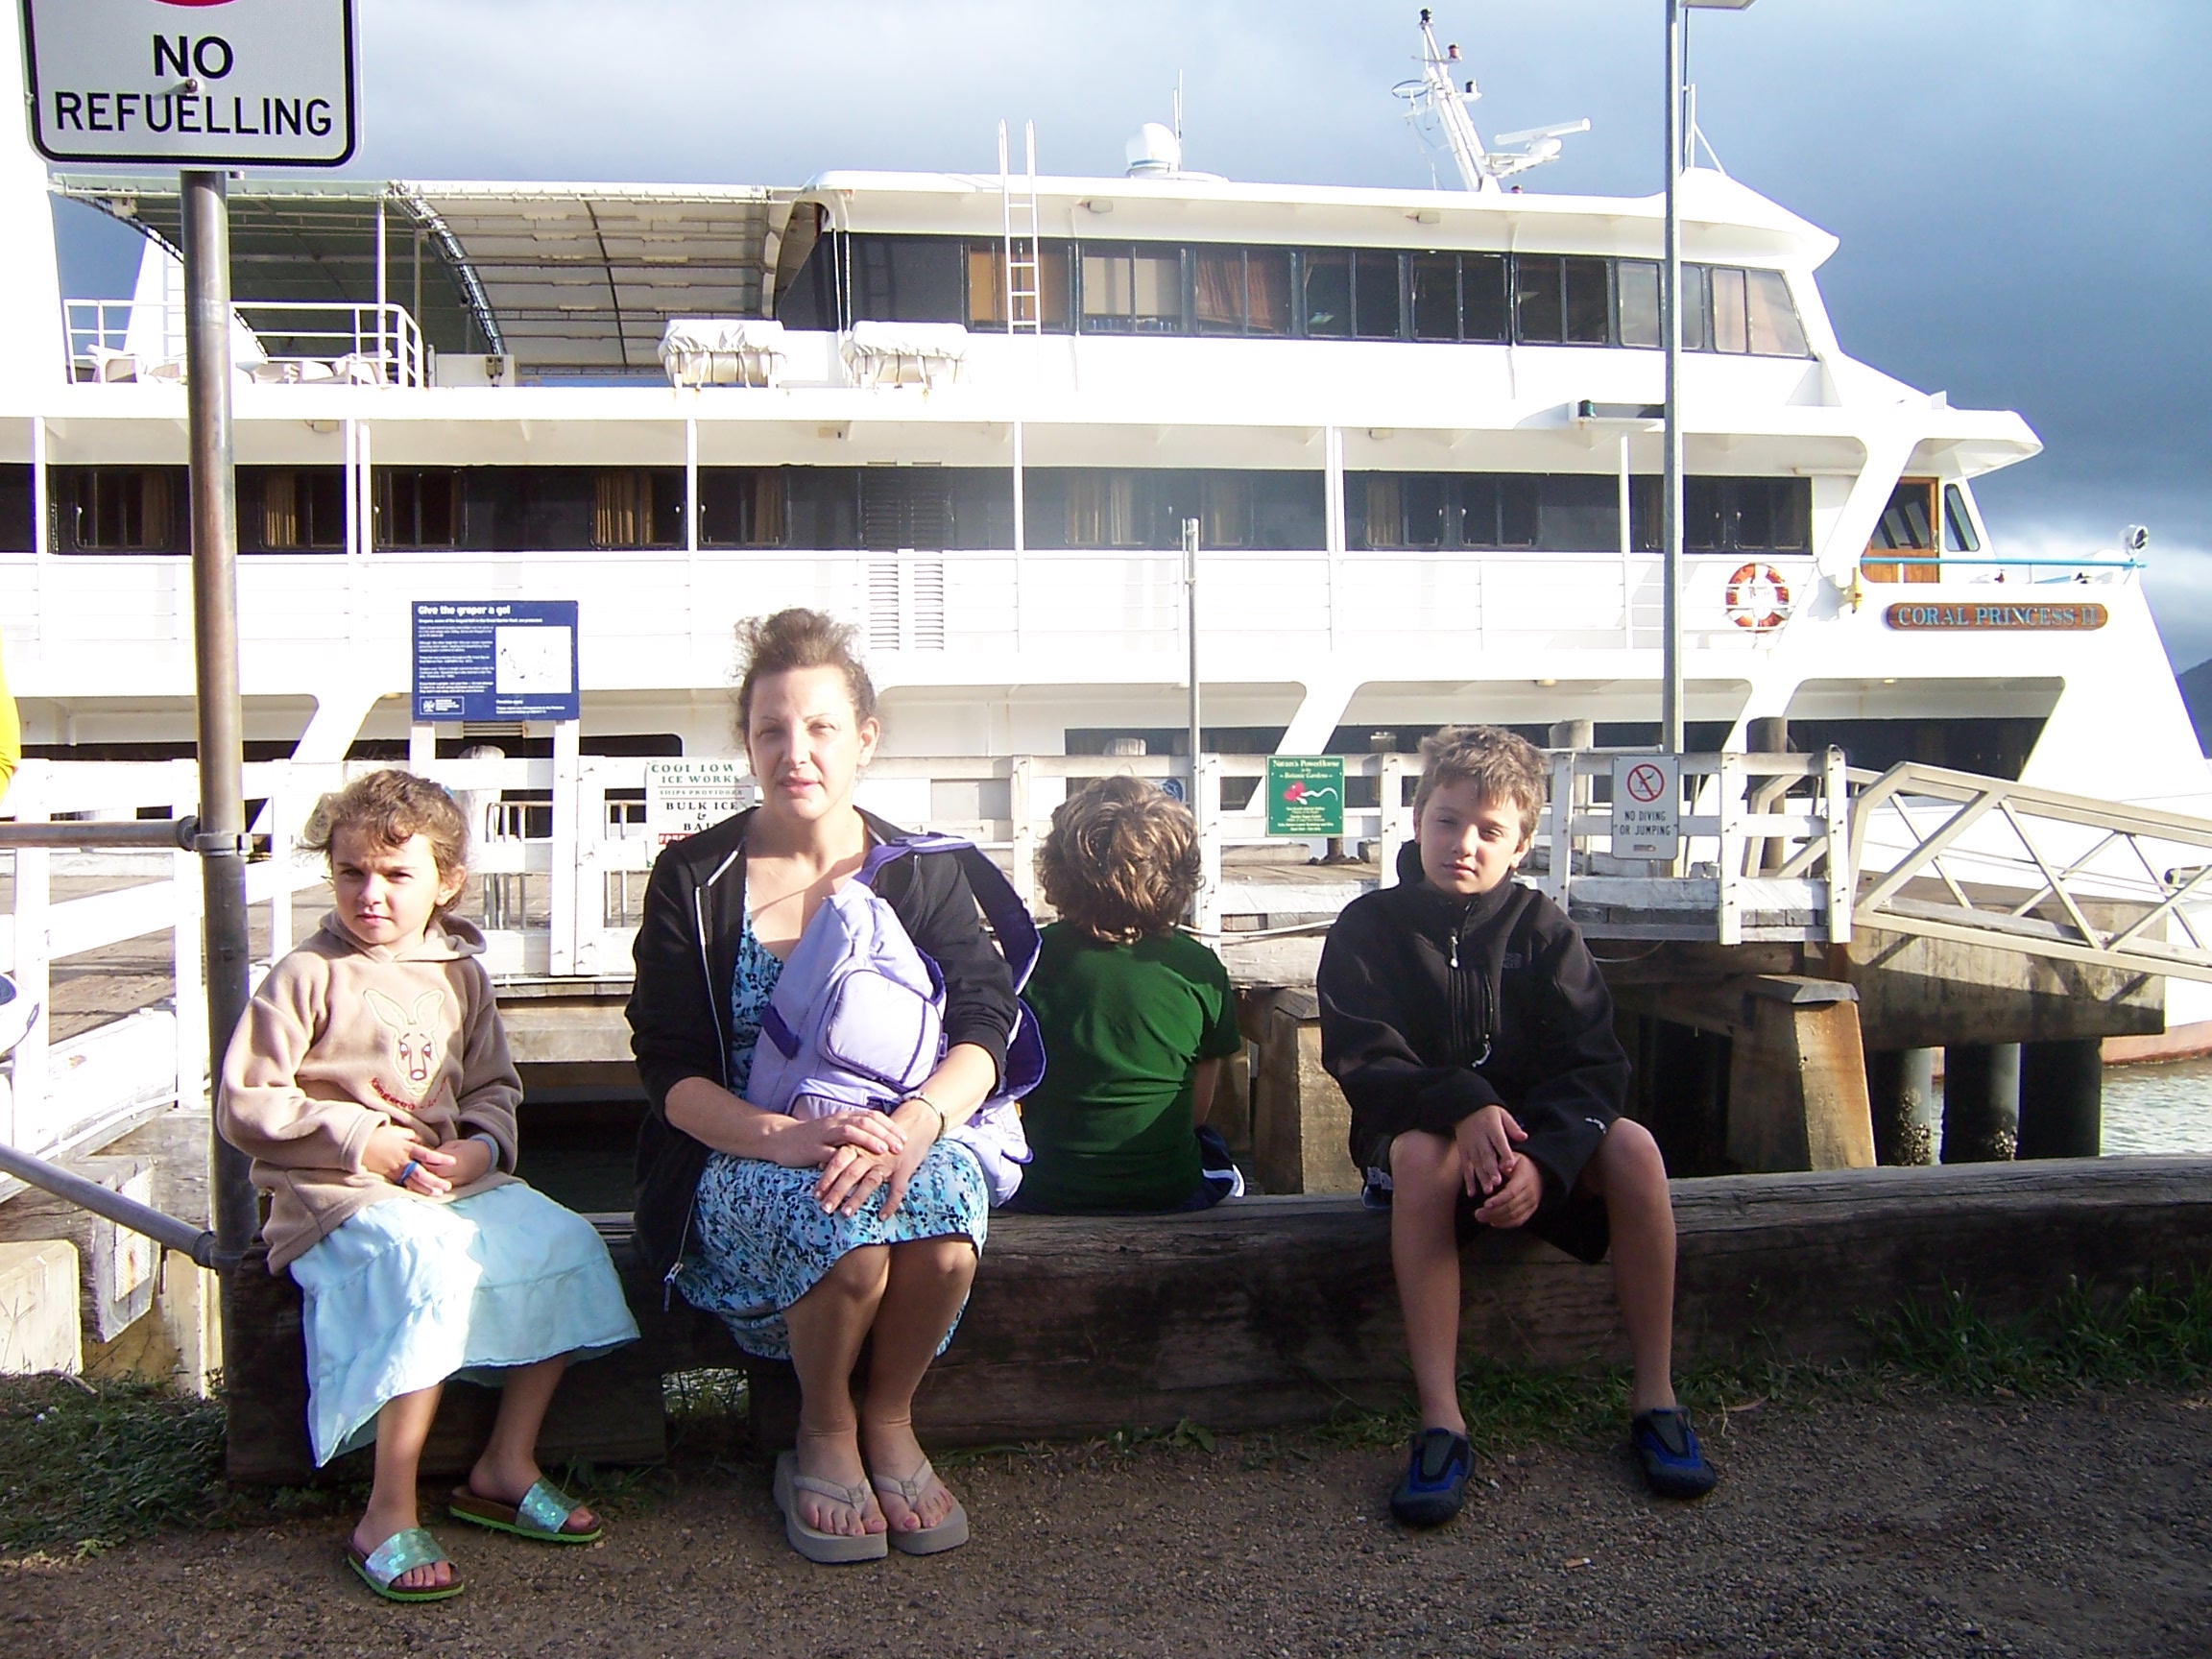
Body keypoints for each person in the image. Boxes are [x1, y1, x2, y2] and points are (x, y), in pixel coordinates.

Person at [628, 608, 1016, 1564]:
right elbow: (667, 1067)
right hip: (740, 1149)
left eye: (820, 728)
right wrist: (786, 1137)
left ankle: (889, 1415)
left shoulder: (915, 871)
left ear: (864, 741)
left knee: (946, 1216)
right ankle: (825, 1429)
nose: (794, 751)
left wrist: (925, 1120)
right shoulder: (694, 875)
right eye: (772, 730)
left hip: (900, 1136)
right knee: (842, 1230)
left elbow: (987, 1019)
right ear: (748, 742)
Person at [219, 770, 638, 1602]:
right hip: (335, 1195)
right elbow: (247, 1102)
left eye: (396, 874)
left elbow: (493, 1089)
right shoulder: (307, 974)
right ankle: (388, 1506)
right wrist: (358, 1138)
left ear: (445, 881)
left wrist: (482, 1150)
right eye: (351, 873)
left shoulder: (461, 974)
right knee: (429, 1267)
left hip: (447, 1183)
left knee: (567, 1243)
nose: (370, 894)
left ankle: (504, 1462)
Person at [1315, 726, 1716, 1525]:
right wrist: (1460, 1101)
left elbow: (1595, 1065)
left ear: (1520, 844)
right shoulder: (1368, 929)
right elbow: (1362, 1057)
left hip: (1534, 1150)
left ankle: (1657, 1399)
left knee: (1634, 1146)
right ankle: (1441, 1421)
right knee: (1426, 1157)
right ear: (1419, 817)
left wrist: (1551, 1161)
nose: (1462, 843)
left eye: (1488, 831)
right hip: (1419, 1147)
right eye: (1446, 820)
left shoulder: (1545, 932)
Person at [1015, 776, 1245, 1213]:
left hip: (1045, 1188)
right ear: (1179, 876)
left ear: (1058, 869)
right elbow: (1196, 1113)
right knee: (1213, 1149)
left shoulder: (1029, 962)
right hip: (1167, 1191)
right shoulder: (1197, 968)